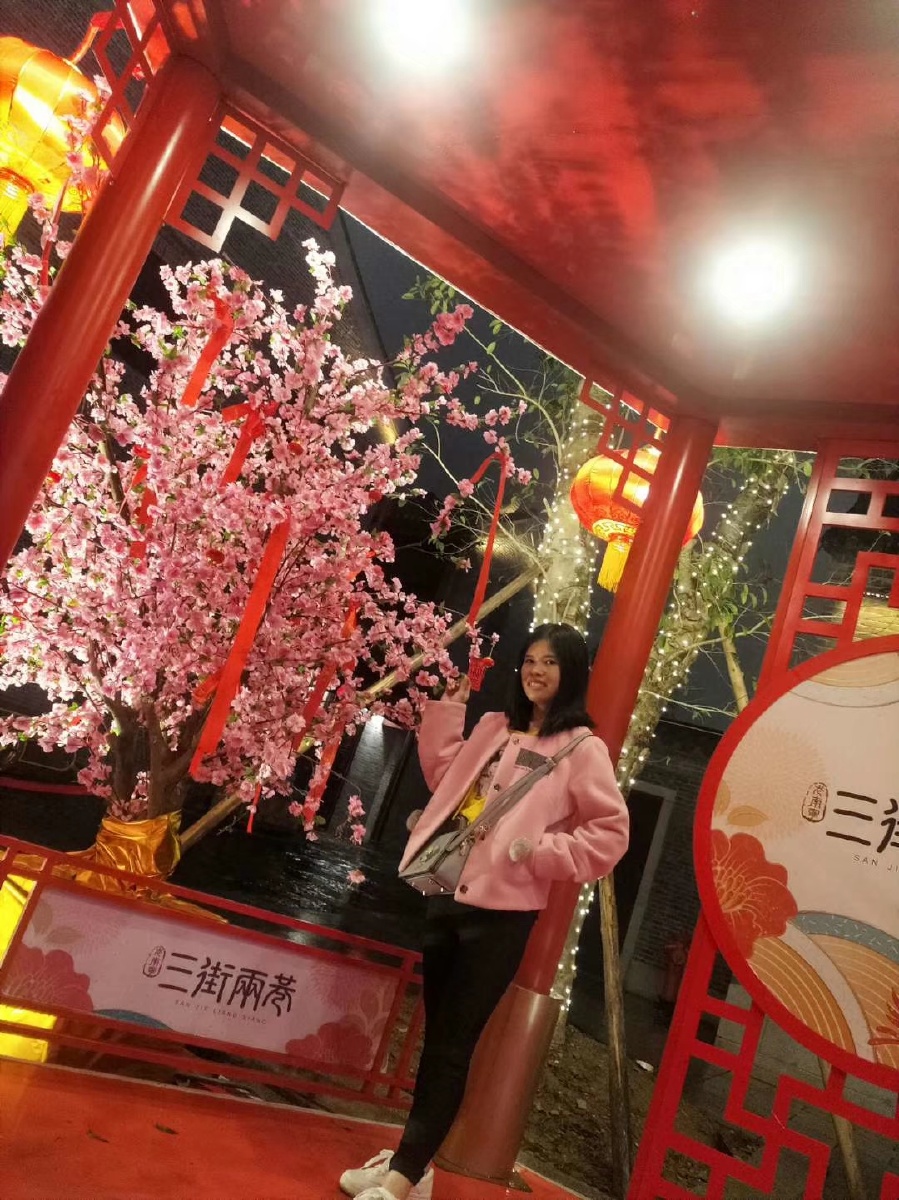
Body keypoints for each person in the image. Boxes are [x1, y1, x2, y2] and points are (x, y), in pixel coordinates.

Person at [339, 623, 629, 1200]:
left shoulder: (581, 748)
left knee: (452, 1046)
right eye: (529, 660)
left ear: (571, 673)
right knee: (435, 1039)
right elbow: (446, 779)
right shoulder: (496, 727)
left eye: (550, 662)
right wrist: (450, 710)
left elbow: (611, 833)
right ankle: (413, 1166)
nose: (535, 671)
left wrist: (541, 852)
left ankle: (402, 1177)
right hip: (445, 895)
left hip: (501, 918)